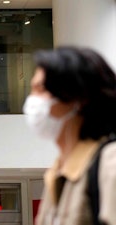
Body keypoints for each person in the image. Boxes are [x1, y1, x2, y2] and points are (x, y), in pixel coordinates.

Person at [23, 47, 116, 225]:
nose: (32, 100)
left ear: (79, 99)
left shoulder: (110, 165)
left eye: (41, 89)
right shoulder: (56, 173)